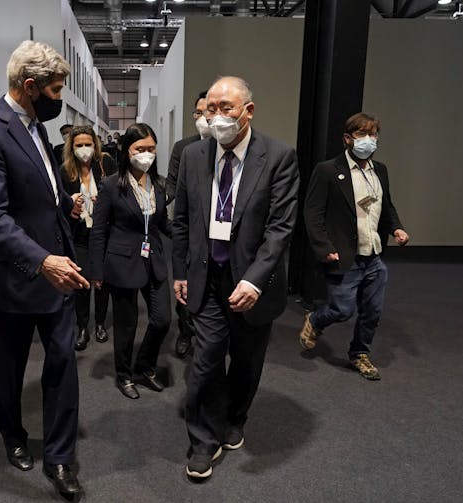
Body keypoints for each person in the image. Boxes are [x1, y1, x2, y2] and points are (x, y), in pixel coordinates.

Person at [0, 40, 87, 497]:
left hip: (57, 275)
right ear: (30, 86)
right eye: (55, 90)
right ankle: (13, 437)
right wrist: (41, 260)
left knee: (62, 368)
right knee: (8, 373)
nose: (59, 98)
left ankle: (59, 459)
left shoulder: (37, 128)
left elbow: (33, 195)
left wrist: (63, 208)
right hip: (15, 279)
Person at [172, 76, 299, 480]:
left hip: (251, 283)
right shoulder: (194, 155)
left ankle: (235, 417)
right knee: (206, 362)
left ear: (249, 111)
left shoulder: (278, 157)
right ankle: (202, 441)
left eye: (226, 108)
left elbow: (280, 227)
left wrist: (255, 279)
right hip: (207, 277)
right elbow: (182, 221)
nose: (217, 116)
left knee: (246, 361)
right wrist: (179, 271)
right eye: (210, 108)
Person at [300, 112, 409, 380]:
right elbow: (312, 213)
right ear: (348, 138)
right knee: (342, 310)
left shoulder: (380, 170)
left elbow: (386, 205)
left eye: (373, 135)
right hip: (344, 253)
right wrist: (324, 247)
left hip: (373, 254)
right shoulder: (328, 170)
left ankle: (360, 353)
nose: (369, 140)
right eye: (363, 134)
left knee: (372, 311)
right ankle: (315, 320)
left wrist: (396, 227)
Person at [89, 123, 172, 400]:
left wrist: (193, 236)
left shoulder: (159, 184)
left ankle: (145, 366)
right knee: (126, 326)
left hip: (155, 259)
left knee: (161, 320)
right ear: (127, 151)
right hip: (122, 262)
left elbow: (163, 223)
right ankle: (124, 375)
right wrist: (96, 270)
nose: (146, 154)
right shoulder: (111, 185)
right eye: (140, 149)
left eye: (151, 149)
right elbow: (99, 230)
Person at [60, 125, 115, 350]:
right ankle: (82, 326)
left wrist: (103, 198)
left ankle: (100, 323)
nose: (84, 149)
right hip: (79, 233)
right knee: (81, 282)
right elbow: (57, 203)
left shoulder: (106, 163)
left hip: (103, 233)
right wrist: (69, 203)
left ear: (95, 144)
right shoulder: (64, 171)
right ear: (71, 148)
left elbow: (119, 193)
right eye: (79, 145)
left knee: (102, 282)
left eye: (88, 144)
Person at [166, 90, 209, 358]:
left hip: (222, 228)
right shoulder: (185, 147)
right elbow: (172, 181)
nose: (204, 117)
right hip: (191, 227)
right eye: (199, 112)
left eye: (210, 111)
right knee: (185, 280)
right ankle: (185, 332)